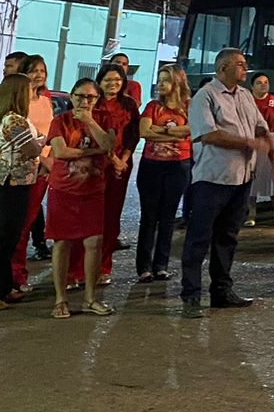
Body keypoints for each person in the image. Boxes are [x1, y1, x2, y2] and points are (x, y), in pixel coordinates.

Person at [180, 47, 274, 318]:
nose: (245, 69)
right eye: (239, 64)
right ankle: (190, 296)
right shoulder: (205, 96)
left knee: (228, 237)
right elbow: (209, 135)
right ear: (222, 67)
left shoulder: (246, 96)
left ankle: (221, 291)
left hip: (241, 178)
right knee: (199, 239)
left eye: (245, 64)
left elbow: (262, 128)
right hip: (213, 178)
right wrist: (248, 142)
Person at [0, 72, 45, 310]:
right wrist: (44, 140)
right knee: (4, 241)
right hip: (12, 185)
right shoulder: (14, 120)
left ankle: (4, 289)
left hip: (16, 183)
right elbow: (31, 149)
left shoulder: (11, 119)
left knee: (9, 239)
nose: (31, 94)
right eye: (27, 90)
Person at [46, 78, 114, 318]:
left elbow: (109, 144)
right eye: (79, 96)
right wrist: (95, 151)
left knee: (93, 242)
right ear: (71, 96)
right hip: (63, 190)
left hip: (93, 191)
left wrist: (90, 122)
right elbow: (61, 151)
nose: (84, 102)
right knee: (62, 243)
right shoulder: (59, 121)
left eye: (90, 97)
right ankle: (60, 299)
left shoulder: (104, 120)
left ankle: (90, 298)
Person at [83, 61, 140, 285]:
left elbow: (133, 135)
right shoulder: (91, 104)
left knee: (111, 215)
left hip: (120, 168)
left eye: (117, 80)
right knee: (88, 215)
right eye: (108, 80)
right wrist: (111, 158)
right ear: (99, 81)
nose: (113, 84)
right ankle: (79, 267)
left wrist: (122, 159)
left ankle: (103, 266)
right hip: (93, 164)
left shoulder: (128, 105)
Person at [136, 64, 191, 282]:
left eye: (166, 80)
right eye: (159, 79)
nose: (161, 84)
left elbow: (193, 130)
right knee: (149, 217)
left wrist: (160, 131)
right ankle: (144, 267)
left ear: (177, 82)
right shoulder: (152, 107)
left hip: (178, 166)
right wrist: (175, 134)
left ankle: (161, 265)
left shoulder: (188, 107)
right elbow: (143, 132)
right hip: (152, 165)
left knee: (168, 218)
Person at [10, 54, 56, 279]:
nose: (39, 75)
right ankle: (14, 273)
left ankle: (19, 273)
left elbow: (51, 135)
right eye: (33, 70)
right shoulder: (17, 103)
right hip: (22, 168)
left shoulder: (46, 102)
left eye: (42, 71)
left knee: (28, 221)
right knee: (17, 224)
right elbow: (19, 140)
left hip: (43, 170)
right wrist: (41, 160)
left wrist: (50, 161)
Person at [245, 72, 274, 226]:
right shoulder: (246, 101)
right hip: (250, 141)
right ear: (252, 86)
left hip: (269, 140)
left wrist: (269, 133)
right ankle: (251, 213)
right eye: (259, 82)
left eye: (266, 82)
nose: (263, 85)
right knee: (251, 177)